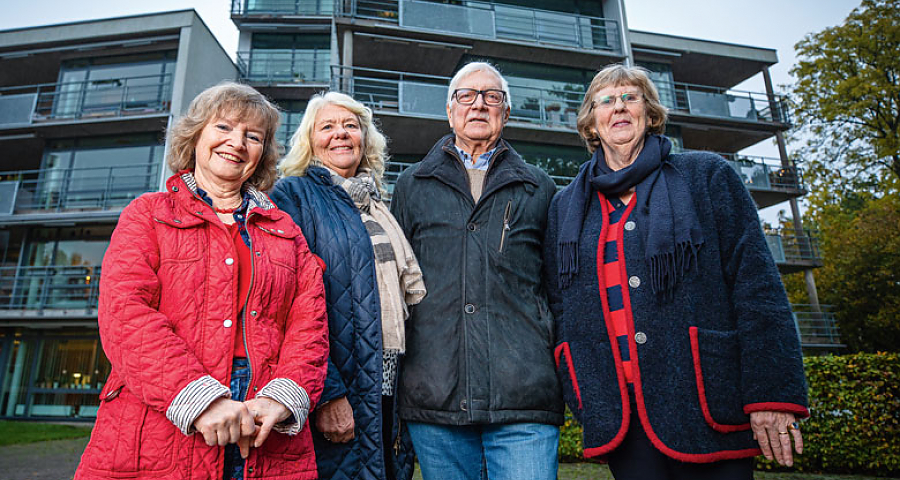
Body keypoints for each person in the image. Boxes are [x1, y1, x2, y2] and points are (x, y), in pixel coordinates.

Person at [543, 64, 809, 480]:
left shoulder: (706, 176)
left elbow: (757, 287)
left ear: (649, 114)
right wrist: (579, 385)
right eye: (607, 101)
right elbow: (560, 304)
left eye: (631, 98)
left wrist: (772, 394)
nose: (620, 108)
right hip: (620, 413)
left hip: (706, 400)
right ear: (591, 121)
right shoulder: (565, 206)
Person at [74, 82, 329, 480]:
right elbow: (126, 314)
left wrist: (283, 397)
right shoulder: (147, 215)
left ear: (262, 152)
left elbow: (310, 326)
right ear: (195, 136)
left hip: (265, 420)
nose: (237, 143)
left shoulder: (287, 231)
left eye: (253, 136)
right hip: (163, 414)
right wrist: (200, 398)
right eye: (224, 128)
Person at [389, 62, 563, 480]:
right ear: (450, 112)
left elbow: (557, 288)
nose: (479, 104)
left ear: (506, 111)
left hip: (523, 396)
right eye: (467, 96)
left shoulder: (539, 187)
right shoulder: (412, 184)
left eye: (492, 96)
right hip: (436, 394)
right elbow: (395, 286)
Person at [270, 91, 426, 480]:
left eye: (351, 126)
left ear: (364, 138)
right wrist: (327, 393)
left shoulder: (379, 205)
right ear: (310, 140)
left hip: (389, 382)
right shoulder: (293, 195)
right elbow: (287, 303)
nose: (341, 134)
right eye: (328, 126)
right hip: (339, 386)